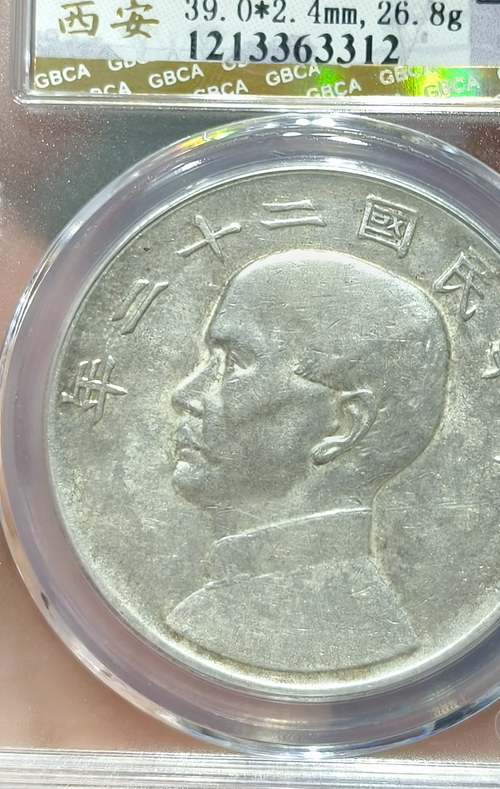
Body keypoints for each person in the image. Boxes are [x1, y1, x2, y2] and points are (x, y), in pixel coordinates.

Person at [168, 249, 449, 673]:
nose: (185, 394)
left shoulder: (322, 627)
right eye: (212, 360)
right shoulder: (228, 614)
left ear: (343, 426)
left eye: (236, 363)